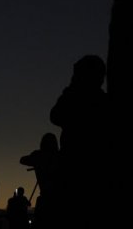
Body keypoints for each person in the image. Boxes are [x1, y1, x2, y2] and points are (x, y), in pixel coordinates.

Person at [50, 55, 110, 229]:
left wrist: (70, 90)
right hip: (94, 173)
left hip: (75, 170)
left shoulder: (75, 98)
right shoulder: (103, 101)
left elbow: (55, 116)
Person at [20, 133, 60, 229]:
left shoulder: (38, 155)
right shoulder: (59, 156)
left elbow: (22, 160)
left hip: (45, 199)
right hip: (59, 200)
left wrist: (37, 160)